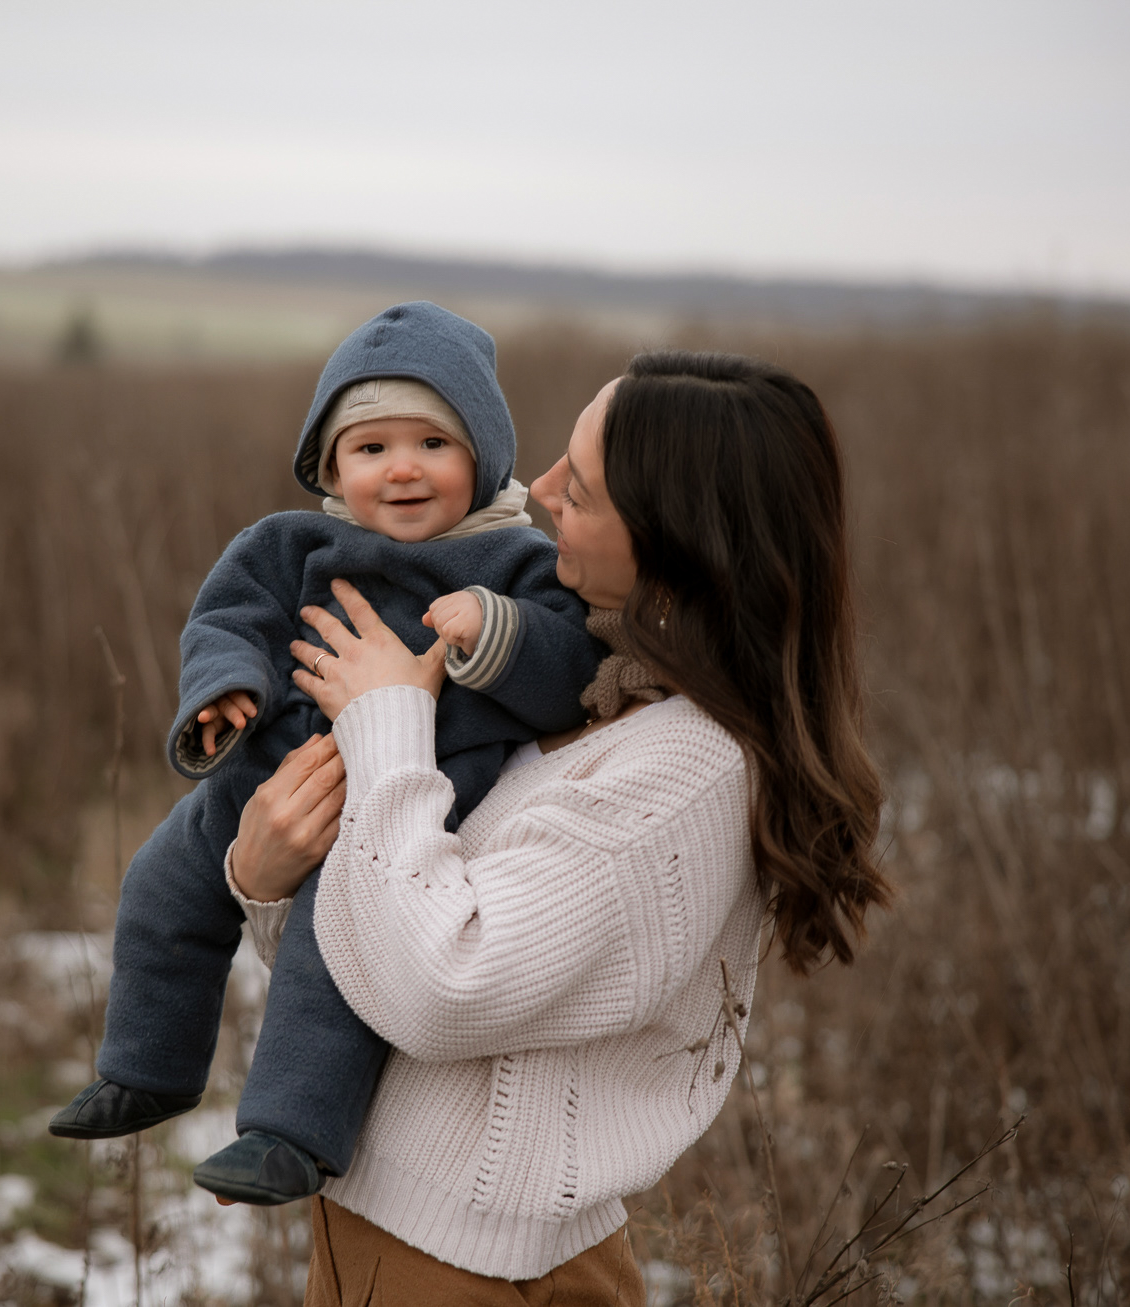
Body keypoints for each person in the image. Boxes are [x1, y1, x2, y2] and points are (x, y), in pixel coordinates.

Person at [224, 351, 892, 1298]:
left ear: (673, 537)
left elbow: (445, 984)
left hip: (477, 1270)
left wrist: (387, 724)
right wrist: (265, 879)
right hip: (391, 1231)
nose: (534, 491)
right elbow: (381, 950)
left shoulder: (683, 771)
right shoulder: (595, 704)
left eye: (577, 486)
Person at [48, 302, 601, 1206]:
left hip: (406, 794)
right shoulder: (287, 543)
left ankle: (291, 1132)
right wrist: (226, 691)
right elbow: (229, 620)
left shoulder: (514, 563)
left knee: (330, 938)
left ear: (485, 455)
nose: (403, 468)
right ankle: (148, 1065)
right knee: (160, 881)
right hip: (269, 768)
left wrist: (495, 630)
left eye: (434, 441)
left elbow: (567, 669)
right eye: (371, 447)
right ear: (331, 465)